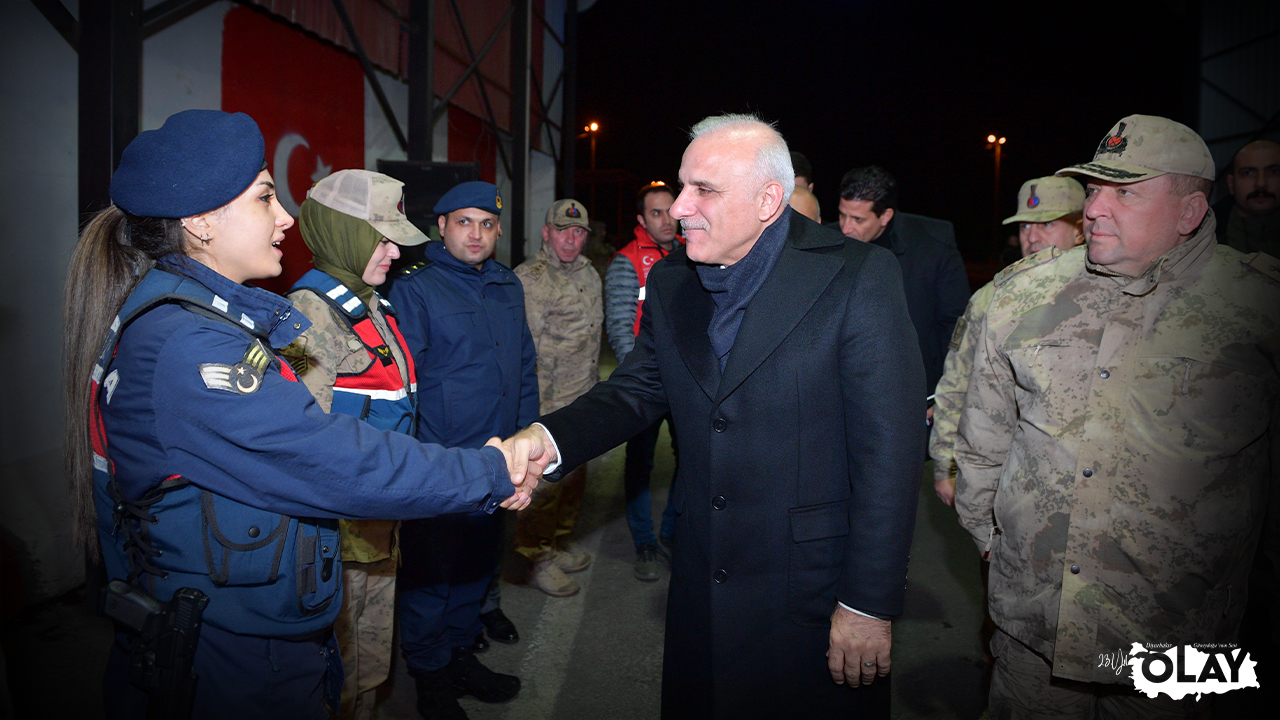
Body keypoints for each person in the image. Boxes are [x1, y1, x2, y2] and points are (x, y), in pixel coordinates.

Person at [61, 110, 541, 720]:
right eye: (266, 198)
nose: (287, 218)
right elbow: (329, 455)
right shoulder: (190, 346)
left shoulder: (195, 323)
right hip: (232, 651)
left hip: (244, 624)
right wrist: (491, 473)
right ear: (202, 222)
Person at [507, 113, 924, 719]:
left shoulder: (857, 276)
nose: (679, 207)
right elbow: (636, 390)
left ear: (767, 200)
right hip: (704, 576)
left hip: (811, 589)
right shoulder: (676, 279)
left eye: (704, 190)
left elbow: (889, 455)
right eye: (682, 186)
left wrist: (868, 604)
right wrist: (549, 439)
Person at [954, 114, 1280, 718]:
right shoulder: (1023, 297)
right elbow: (981, 441)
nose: (1096, 208)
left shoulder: (1256, 307)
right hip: (1036, 619)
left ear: (1189, 212)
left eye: (1124, 192)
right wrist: (989, 541)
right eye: (1095, 188)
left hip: (1184, 632)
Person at [278, 169, 428, 720]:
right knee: (337, 660)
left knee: (368, 651)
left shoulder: (367, 304)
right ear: (345, 233)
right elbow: (298, 436)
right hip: (337, 537)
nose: (392, 251)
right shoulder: (308, 316)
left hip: (377, 519)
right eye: (380, 237)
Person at [386, 180, 538, 719]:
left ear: (498, 230)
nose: (476, 234)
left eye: (487, 224)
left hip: (497, 461)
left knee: (476, 566)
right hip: (441, 461)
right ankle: (429, 676)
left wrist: (526, 444)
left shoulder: (506, 285)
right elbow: (404, 382)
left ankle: (458, 657)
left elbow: (522, 365)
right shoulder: (416, 289)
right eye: (464, 222)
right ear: (442, 227)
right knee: (432, 573)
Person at [929, 174, 1084, 506]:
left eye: (1047, 223)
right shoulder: (991, 299)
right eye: (1025, 226)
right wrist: (947, 464)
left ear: (1080, 229)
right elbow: (957, 384)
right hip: (1008, 478)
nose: (1033, 236)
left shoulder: (1109, 297)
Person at [512, 199, 603, 597]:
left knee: (573, 481)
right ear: (546, 231)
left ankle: (559, 542)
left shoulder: (589, 272)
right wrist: (531, 413)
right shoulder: (530, 279)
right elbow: (523, 350)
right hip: (546, 407)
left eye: (579, 231)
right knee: (544, 489)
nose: (571, 239)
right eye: (562, 230)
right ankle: (537, 558)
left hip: (582, 397)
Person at [603, 181, 684, 580]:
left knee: (692, 462)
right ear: (641, 219)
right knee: (640, 465)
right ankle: (644, 543)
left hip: (687, 385)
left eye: (671, 210)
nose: (666, 219)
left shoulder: (693, 252)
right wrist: (640, 379)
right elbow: (620, 329)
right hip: (648, 386)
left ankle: (670, 533)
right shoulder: (626, 262)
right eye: (656, 213)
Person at [837, 166, 969, 400]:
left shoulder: (933, 245)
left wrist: (941, 392)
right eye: (842, 215)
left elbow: (954, 324)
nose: (846, 228)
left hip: (914, 389)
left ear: (886, 216)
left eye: (858, 219)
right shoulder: (831, 242)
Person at [1214, 138, 1280, 256]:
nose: (1261, 184)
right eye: (1248, 173)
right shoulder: (1206, 233)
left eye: (1274, 172)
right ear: (1231, 183)